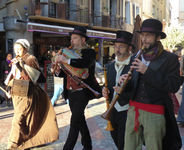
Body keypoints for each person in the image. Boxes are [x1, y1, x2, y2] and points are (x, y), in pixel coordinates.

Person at [118, 19, 183, 150]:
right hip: (133, 110)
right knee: (129, 147)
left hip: (155, 111)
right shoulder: (136, 56)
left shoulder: (170, 59)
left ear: (158, 37)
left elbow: (173, 85)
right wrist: (124, 83)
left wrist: (147, 71)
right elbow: (134, 85)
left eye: (148, 35)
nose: (144, 39)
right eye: (142, 35)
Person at [4, 39, 58, 149]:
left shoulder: (31, 59)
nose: (17, 51)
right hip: (17, 92)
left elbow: (35, 77)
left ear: (25, 48)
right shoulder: (16, 60)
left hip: (28, 92)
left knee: (17, 119)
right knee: (23, 119)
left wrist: (20, 66)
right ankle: (26, 140)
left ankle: (12, 145)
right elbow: (13, 76)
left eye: (19, 48)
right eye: (15, 49)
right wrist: (9, 88)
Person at [54, 26, 102, 150]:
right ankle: (87, 145)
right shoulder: (68, 52)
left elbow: (85, 63)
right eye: (71, 38)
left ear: (83, 40)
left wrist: (66, 60)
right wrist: (56, 70)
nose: (72, 41)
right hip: (70, 92)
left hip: (83, 92)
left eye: (75, 38)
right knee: (80, 120)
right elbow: (64, 73)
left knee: (74, 121)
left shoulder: (89, 52)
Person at [102, 30, 133, 150]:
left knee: (124, 144)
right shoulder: (109, 66)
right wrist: (104, 91)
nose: (117, 49)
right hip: (112, 110)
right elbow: (107, 85)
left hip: (128, 110)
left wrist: (124, 89)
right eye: (115, 46)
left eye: (121, 46)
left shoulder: (134, 66)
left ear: (129, 48)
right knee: (116, 139)